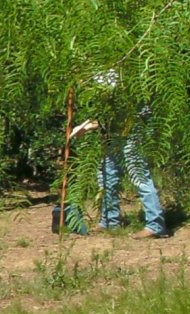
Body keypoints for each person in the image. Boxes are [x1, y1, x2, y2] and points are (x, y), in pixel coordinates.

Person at [69, 71, 170, 238]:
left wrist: (88, 127)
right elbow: (106, 116)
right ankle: (110, 221)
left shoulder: (114, 77)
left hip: (134, 130)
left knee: (139, 176)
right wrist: (86, 127)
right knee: (107, 175)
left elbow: (120, 114)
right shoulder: (98, 79)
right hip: (114, 133)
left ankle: (155, 225)